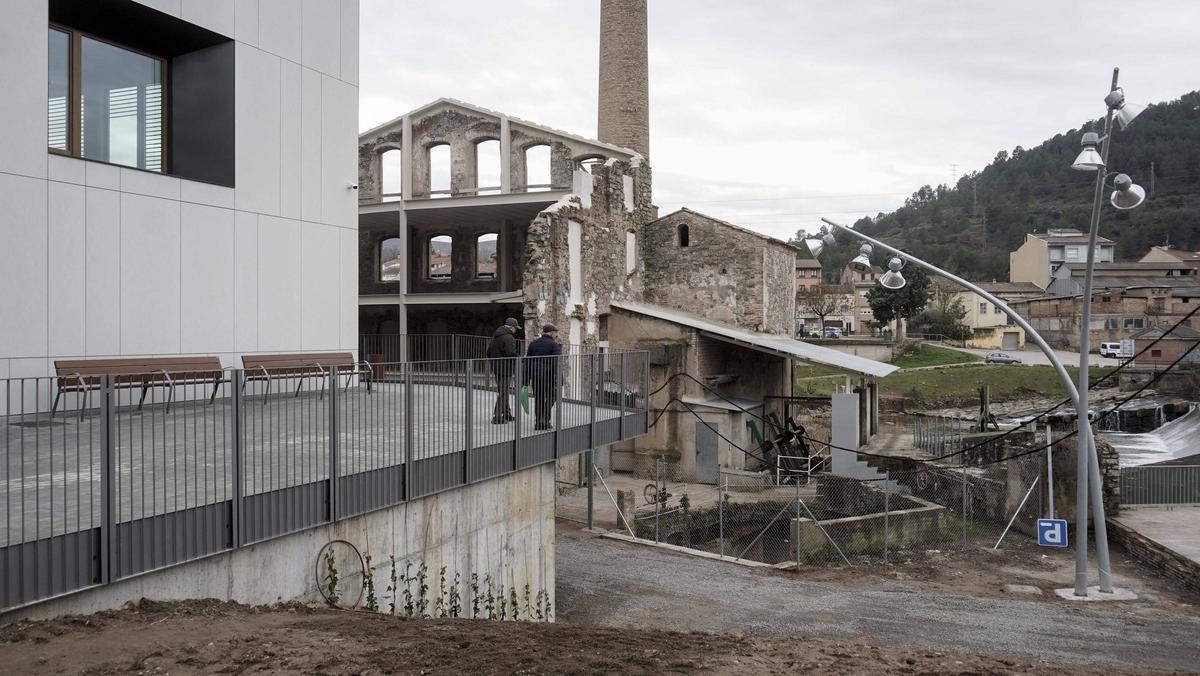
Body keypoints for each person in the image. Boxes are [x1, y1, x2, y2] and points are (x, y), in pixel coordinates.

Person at [523, 324, 562, 430]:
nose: (556, 335)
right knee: (551, 397)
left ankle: (539, 423)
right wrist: (559, 379)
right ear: (551, 333)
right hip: (549, 376)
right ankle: (545, 419)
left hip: (536, 376)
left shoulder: (533, 344)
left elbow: (527, 362)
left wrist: (526, 379)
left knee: (539, 399)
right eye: (555, 333)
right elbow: (556, 363)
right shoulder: (554, 345)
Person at [486, 317, 520, 424]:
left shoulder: (495, 336)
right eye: (515, 328)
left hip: (496, 368)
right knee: (504, 392)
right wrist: (519, 357)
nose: (516, 330)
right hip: (506, 369)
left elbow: (488, 352)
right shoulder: (508, 337)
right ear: (511, 327)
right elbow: (510, 353)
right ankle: (497, 417)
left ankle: (507, 414)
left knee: (503, 391)